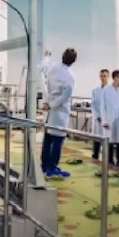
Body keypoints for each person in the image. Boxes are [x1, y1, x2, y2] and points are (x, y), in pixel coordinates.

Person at [41, 48, 77, 178]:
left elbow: (43, 68)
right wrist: (51, 105)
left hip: (50, 112)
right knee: (57, 141)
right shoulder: (70, 76)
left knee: (48, 140)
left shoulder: (53, 68)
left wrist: (47, 56)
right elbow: (65, 96)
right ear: (73, 61)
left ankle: (44, 166)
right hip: (59, 112)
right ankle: (52, 167)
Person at [100, 69, 119, 168]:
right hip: (109, 119)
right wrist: (104, 120)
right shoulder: (106, 90)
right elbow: (103, 106)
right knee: (110, 140)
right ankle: (109, 160)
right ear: (115, 78)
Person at [90, 68, 109, 160]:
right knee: (96, 137)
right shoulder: (95, 89)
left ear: (108, 77)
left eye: (104, 76)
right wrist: (97, 116)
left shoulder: (111, 90)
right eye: (101, 76)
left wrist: (105, 117)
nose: (102, 78)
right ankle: (95, 155)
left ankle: (107, 158)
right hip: (97, 118)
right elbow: (93, 104)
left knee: (106, 139)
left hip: (107, 119)